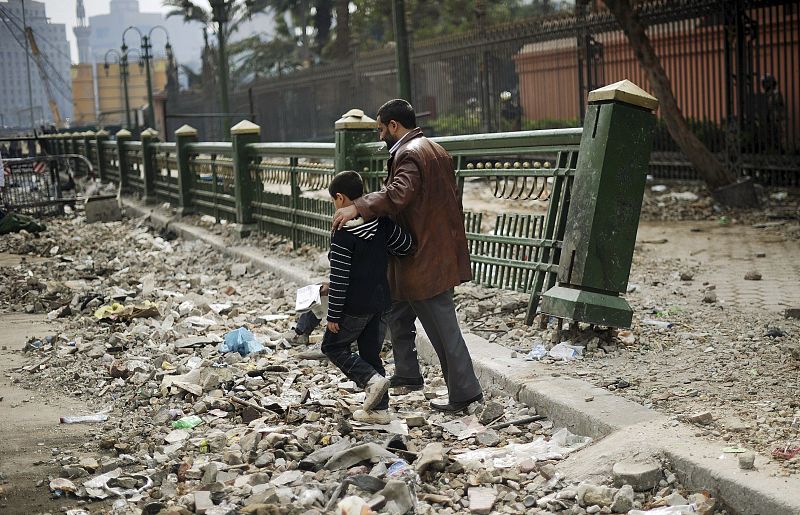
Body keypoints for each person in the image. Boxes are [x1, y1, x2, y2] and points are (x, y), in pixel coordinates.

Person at [332, 99, 483, 413]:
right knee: (398, 310)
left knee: (443, 329)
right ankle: (408, 373)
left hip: (423, 256)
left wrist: (357, 206)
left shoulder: (409, 154)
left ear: (393, 126)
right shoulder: (434, 149)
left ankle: (465, 392)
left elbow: (398, 194)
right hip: (429, 250)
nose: (379, 136)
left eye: (380, 129)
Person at [322, 170, 414, 424]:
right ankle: (379, 410)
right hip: (382, 301)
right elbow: (405, 246)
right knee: (370, 353)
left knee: (332, 346)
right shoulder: (382, 223)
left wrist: (333, 314)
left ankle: (370, 381)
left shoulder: (342, 233)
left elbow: (340, 277)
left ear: (340, 198)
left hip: (354, 305)